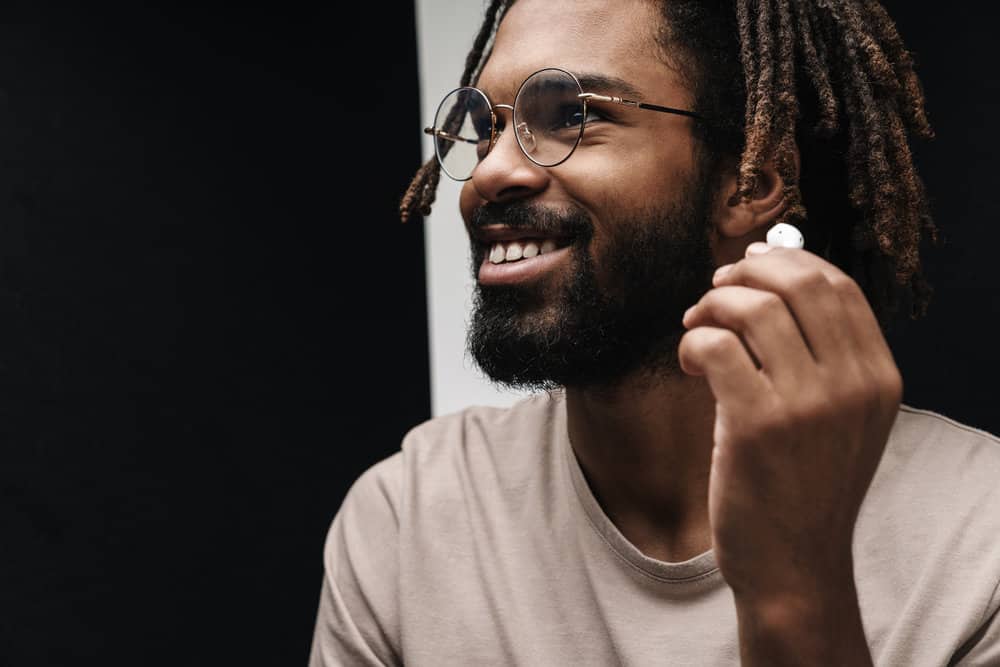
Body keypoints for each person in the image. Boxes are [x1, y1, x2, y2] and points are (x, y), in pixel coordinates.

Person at [309, 0, 1000, 664]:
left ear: (752, 180)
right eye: (486, 126)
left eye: (571, 115)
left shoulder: (978, 543)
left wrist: (794, 587)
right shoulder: (408, 523)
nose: (490, 173)